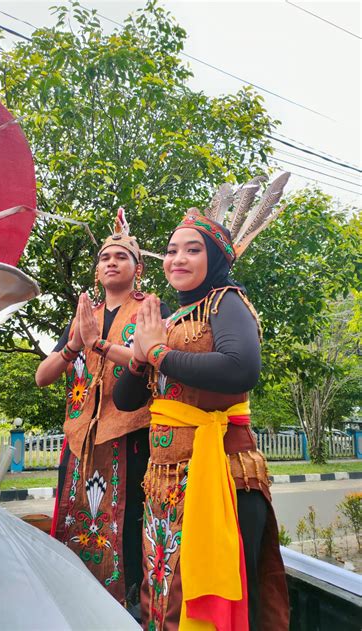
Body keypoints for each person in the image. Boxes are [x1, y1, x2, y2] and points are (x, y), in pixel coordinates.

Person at [113, 179, 290, 631]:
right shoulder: (167, 320)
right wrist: (137, 362)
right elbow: (127, 401)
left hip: (222, 477)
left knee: (207, 600)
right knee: (165, 596)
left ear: (216, 260)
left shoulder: (226, 303)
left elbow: (238, 369)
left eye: (192, 250)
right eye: (171, 250)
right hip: (165, 480)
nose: (177, 259)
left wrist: (155, 353)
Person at [36, 208, 170, 613]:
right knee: (75, 524)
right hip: (80, 441)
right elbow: (43, 376)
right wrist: (75, 343)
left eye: (121, 257)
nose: (111, 263)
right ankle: (74, 605)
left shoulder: (150, 310)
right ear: (97, 272)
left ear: (138, 268)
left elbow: (150, 358)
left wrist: (100, 345)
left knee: (127, 531)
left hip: (128, 435)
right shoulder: (85, 316)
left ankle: (126, 610)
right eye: (105, 258)